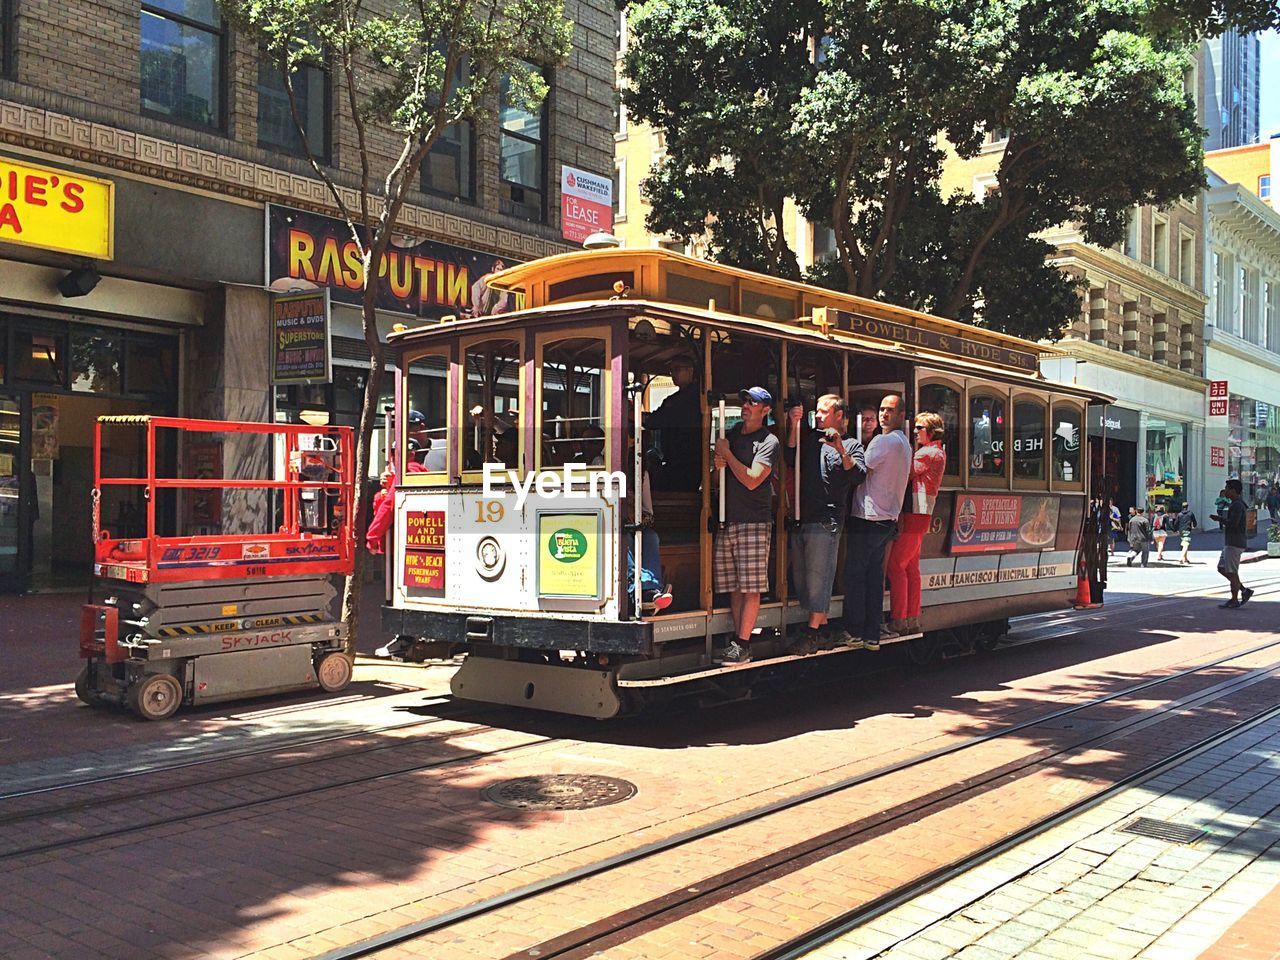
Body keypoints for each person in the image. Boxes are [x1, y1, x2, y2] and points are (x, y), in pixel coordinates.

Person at [784, 395, 866, 650]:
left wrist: (840, 448)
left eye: (823, 412)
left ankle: (812, 632)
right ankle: (824, 628)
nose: (818, 416)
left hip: (827, 520)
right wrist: (794, 424)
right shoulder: (810, 438)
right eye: (816, 412)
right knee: (802, 577)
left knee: (819, 576)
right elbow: (790, 456)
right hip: (803, 516)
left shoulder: (852, 444)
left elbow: (858, 476)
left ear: (839, 415)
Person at [713, 386, 780, 664]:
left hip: (754, 521)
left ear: (765, 410)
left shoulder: (769, 441)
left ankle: (743, 643)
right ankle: (736, 642)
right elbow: (717, 476)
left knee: (750, 586)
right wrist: (717, 463)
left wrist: (726, 456)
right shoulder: (730, 436)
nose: (746, 405)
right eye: (745, 400)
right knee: (735, 586)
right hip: (728, 520)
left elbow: (753, 479)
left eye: (753, 402)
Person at [842, 394, 912, 651]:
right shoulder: (904, 443)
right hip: (887, 520)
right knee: (874, 578)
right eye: (882, 409)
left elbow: (859, 470)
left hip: (868, 517)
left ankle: (853, 630)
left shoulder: (883, 442)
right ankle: (872, 634)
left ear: (901, 415)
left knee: (855, 575)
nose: (884, 414)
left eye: (889, 410)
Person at [886, 412, 947, 634]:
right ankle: (911, 618)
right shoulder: (936, 451)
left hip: (915, 513)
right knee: (911, 568)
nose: (915, 431)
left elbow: (905, 472)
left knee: (896, 566)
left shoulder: (927, 453)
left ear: (931, 431)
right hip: (922, 514)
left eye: (919, 428)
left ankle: (899, 618)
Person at [646, 355, 702, 491]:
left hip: (688, 461)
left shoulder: (695, 397)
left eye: (677, 370)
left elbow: (659, 419)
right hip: (673, 459)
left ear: (690, 371)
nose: (673, 375)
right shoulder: (675, 399)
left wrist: (644, 418)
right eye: (671, 371)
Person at [1210, 479, 1253, 608]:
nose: (1225, 491)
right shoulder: (1236, 504)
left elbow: (1233, 524)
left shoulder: (1237, 505)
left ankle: (1235, 599)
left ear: (1233, 491)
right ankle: (1244, 590)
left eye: (1227, 488)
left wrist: (1220, 519)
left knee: (1232, 571)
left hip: (1235, 542)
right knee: (1222, 568)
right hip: (1231, 541)